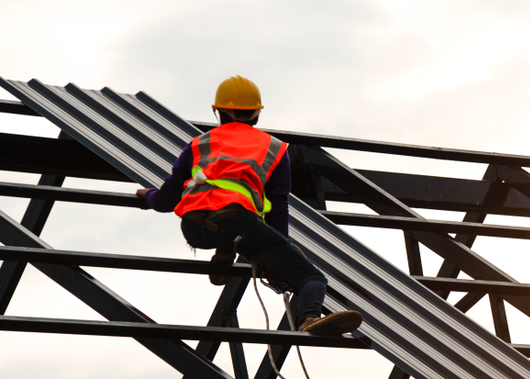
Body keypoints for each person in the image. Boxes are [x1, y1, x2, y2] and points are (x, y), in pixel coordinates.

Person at [136, 75, 362, 336]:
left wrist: (146, 195)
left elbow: (166, 201)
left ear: (218, 112)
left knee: (235, 221)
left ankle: (224, 254)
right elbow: (278, 205)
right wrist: (279, 254)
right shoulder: (274, 148)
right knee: (311, 277)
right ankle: (309, 318)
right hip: (235, 223)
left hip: (193, 228)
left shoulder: (200, 144)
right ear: (256, 115)